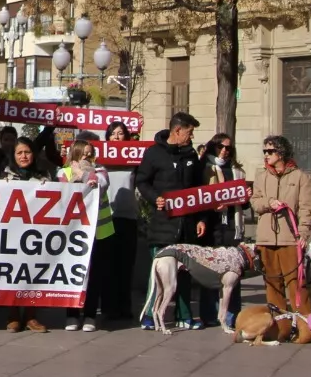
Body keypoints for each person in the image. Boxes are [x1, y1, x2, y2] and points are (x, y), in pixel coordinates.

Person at [134, 113, 209, 330]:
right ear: (177, 130)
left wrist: (200, 218)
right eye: (189, 132)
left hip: (186, 225)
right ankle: (150, 315)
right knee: (159, 273)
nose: (191, 136)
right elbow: (142, 181)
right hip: (162, 224)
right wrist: (154, 198)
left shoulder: (191, 155)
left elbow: (199, 189)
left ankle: (184, 315)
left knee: (184, 273)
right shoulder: (154, 153)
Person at [251, 134, 311, 312]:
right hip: (266, 239)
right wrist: (269, 203)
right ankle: (280, 323)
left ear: (281, 152)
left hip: (290, 239)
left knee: (297, 284)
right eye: (264, 151)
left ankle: (304, 322)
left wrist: (303, 234)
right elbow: (255, 202)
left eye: (270, 151)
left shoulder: (300, 177)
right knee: (272, 285)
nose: (266, 154)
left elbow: (307, 209)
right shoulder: (261, 177)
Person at [59, 134, 113, 332]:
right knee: (72, 274)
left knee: (95, 276)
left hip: (99, 233)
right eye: (83, 154)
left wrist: (81, 173)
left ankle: (90, 315)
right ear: (74, 154)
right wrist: (77, 175)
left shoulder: (101, 171)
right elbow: (64, 192)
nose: (87, 158)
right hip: (73, 233)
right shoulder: (63, 172)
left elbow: (100, 185)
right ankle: (72, 314)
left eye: (90, 154)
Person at [2, 137, 51, 332]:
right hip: (11, 233)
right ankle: (13, 315)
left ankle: (31, 316)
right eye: (19, 153)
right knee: (11, 273)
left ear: (34, 154)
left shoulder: (44, 176)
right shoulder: (5, 176)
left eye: (27, 152)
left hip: (35, 234)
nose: (23, 156)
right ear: (13, 156)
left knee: (33, 273)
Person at [199, 133, 246, 329]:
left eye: (228, 148)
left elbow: (243, 202)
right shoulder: (205, 168)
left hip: (232, 225)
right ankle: (210, 314)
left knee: (234, 271)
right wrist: (211, 207)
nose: (225, 151)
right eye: (221, 147)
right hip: (213, 224)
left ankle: (232, 316)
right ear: (213, 147)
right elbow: (198, 197)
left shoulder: (237, 171)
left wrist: (246, 197)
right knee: (212, 270)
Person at [99, 121, 140, 322]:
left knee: (126, 265)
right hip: (106, 216)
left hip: (128, 216)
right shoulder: (100, 158)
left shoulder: (134, 159)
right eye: (113, 133)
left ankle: (125, 306)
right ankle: (109, 307)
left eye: (121, 133)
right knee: (108, 265)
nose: (116, 137)